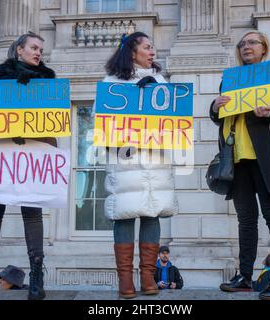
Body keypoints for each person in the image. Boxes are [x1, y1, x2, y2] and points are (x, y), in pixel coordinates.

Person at [212, 30, 270, 300]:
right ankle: (245, 277)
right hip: (237, 159)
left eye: (252, 42)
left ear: (264, 48)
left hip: (267, 158)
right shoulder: (230, 79)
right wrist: (214, 107)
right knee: (246, 220)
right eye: (242, 44)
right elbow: (220, 116)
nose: (245, 47)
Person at [0, 32, 57, 300]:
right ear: (19, 50)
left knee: (32, 212)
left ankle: (36, 278)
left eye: (40, 49)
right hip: (1, 151)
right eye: (33, 47)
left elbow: (52, 121)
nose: (38, 52)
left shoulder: (47, 81)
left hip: (32, 153)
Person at [103, 32, 179, 299]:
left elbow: (173, 119)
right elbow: (103, 121)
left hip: (155, 157)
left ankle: (148, 276)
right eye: (147, 47)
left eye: (153, 47)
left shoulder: (160, 80)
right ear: (132, 52)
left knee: (152, 212)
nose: (152, 52)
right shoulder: (111, 82)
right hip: (126, 157)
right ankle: (125, 279)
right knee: (125, 211)